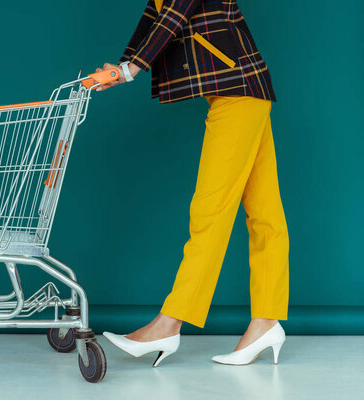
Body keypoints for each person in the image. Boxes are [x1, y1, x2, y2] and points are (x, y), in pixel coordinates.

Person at [98, 0, 289, 366]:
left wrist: (130, 70)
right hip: (243, 89)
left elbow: (174, 14)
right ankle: (266, 320)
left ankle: (169, 324)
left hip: (238, 91)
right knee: (265, 213)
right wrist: (120, 64)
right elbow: (154, 16)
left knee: (210, 211)